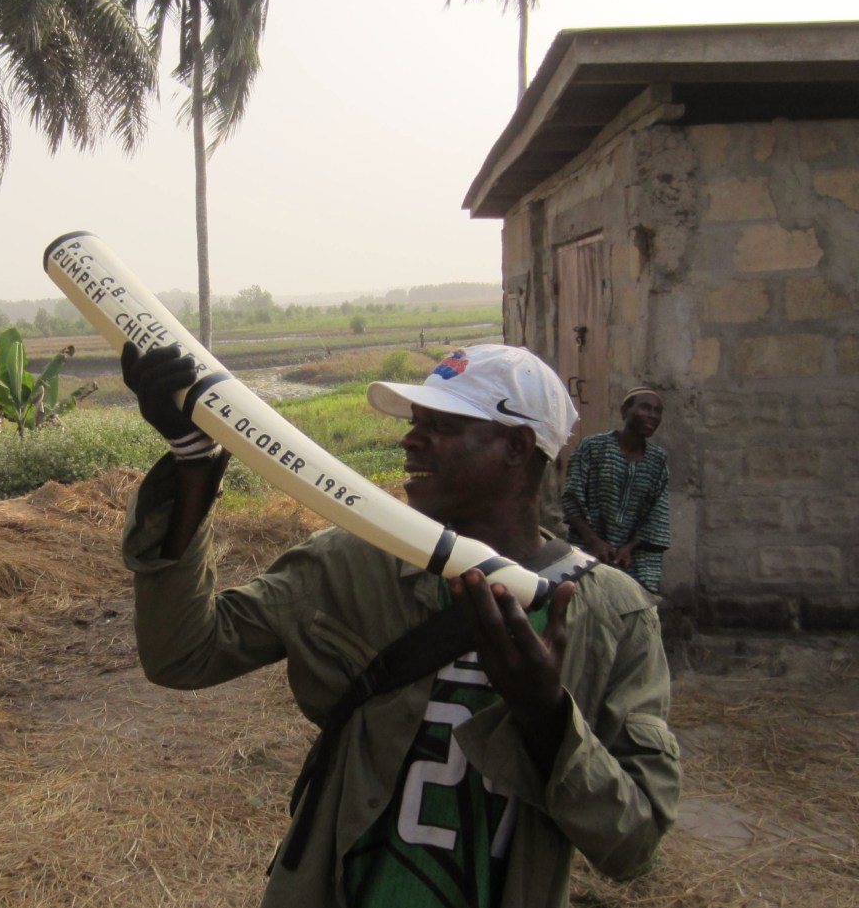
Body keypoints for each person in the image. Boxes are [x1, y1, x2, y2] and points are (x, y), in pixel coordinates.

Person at [120, 343, 680, 908]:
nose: (410, 440)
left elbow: (633, 846)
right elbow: (184, 654)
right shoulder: (350, 562)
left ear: (516, 446)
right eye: (415, 422)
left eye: (441, 425)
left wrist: (548, 716)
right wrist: (193, 462)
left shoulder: (613, 614)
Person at [561, 388, 671, 595]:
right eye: (645, 408)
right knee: (582, 600)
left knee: (634, 603)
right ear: (624, 411)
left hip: (635, 557)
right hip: (587, 547)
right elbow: (571, 500)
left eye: (658, 411)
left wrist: (629, 548)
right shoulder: (593, 447)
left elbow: (657, 516)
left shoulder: (658, 461)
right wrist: (594, 542)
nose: (652, 415)